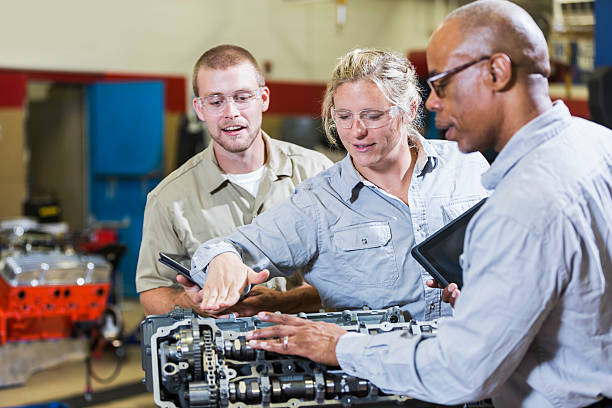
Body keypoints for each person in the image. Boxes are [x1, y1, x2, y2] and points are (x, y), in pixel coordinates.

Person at [245, 1, 612, 407]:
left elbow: (461, 372)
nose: (433, 103)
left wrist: (342, 347)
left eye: (442, 83)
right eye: (344, 116)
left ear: (496, 72)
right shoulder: (597, 144)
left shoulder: (516, 203)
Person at [188, 48, 490, 320]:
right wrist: (223, 260)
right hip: (379, 374)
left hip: (483, 358)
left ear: (409, 110)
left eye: (373, 116)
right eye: (343, 116)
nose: (356, 131)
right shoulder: (318, 203)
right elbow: (225, 249)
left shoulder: (466, 164)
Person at [136, 44, 333, 316]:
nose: (231, 112)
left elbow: (348, 276)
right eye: (216, 101)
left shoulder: (317, 173)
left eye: (242, 97)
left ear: (263, 98)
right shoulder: (168, 199)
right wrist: (190, 302)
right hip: (218, 353)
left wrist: (281, 302)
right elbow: (152, 294)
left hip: (306, 349)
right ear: (200, 108)